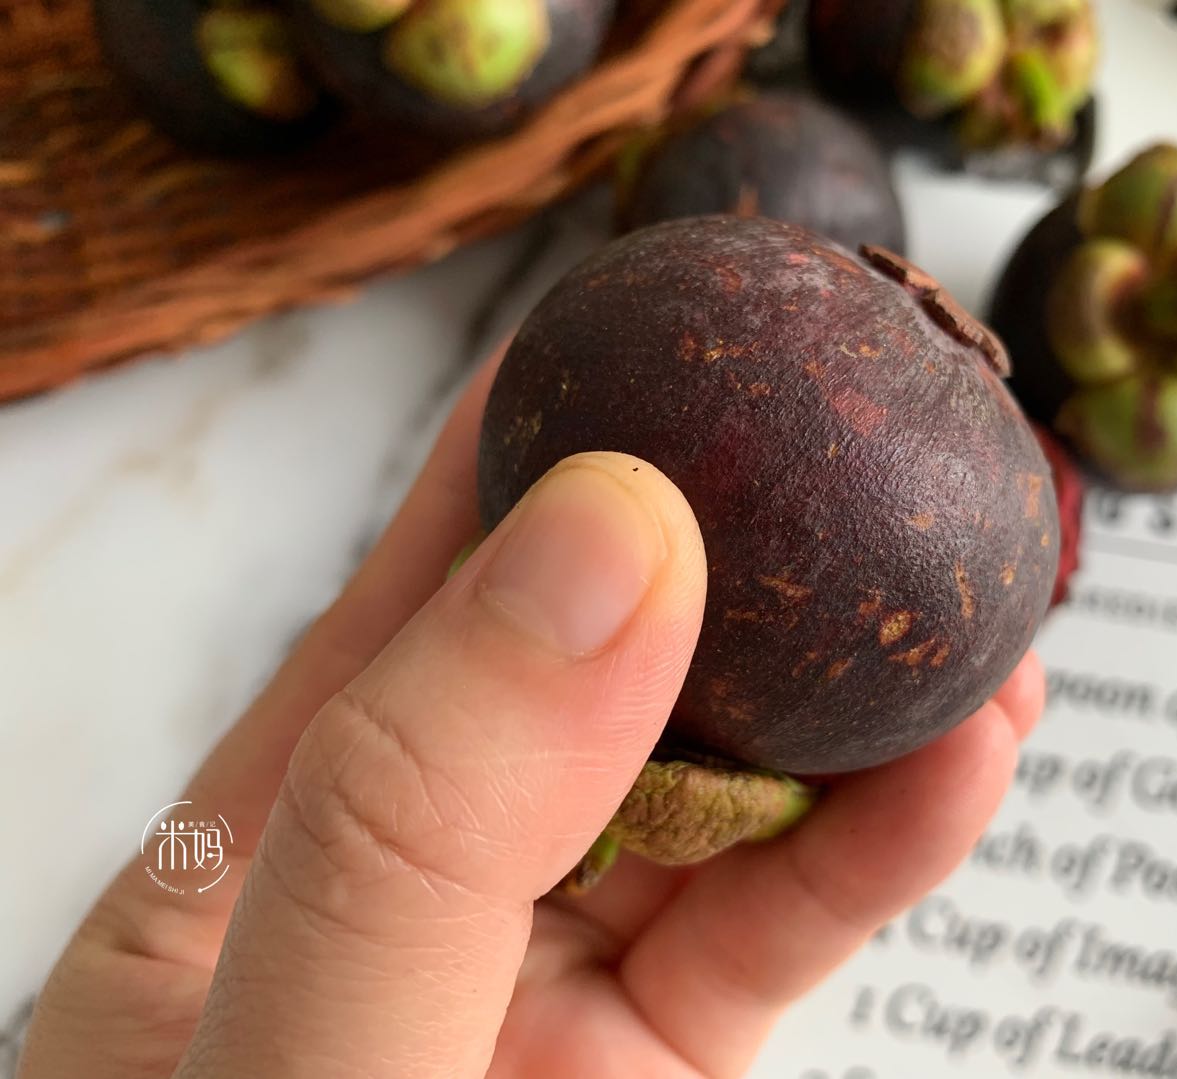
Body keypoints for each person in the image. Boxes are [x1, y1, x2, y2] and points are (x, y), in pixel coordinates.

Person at [18, 352, 1044, 1079]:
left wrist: (165, 849)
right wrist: (168, 857)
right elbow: (183, 883)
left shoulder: (186, 875)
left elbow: (183, 877)